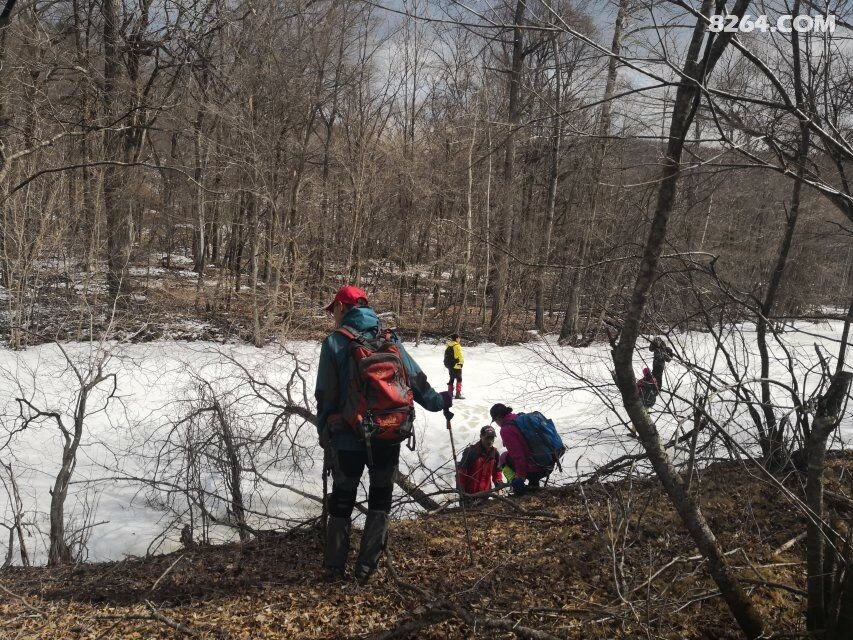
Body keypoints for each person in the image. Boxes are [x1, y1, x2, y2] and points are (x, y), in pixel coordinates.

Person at [315, 285, 453, 583]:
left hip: (348, 437)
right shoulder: (390, 339)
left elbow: (325, 395)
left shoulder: (336, 343)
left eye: (333, 310)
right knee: (380, 501)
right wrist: (439, 402)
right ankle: (366, 569)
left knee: (342, 500)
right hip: (388, 434)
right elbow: (416, 381)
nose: (332, 316)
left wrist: (324, 432)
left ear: (342, 307)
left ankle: (334, 568)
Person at [489, 403, 553, 495]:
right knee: (522, 454)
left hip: (536, 468)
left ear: (498, 417)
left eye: (495, 420)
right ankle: (534, 485)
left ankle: (517, 488)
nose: (496, 423)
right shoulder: (518, 418)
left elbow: (519, 456)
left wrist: (520, 477)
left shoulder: (506, 429)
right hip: (548, 463)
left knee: (503, 458)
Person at [456, 426, 504, 499]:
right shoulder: (471, 452)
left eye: (492, 438)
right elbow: (461, 475)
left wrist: (501, 494)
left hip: (486, 495)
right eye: (487, 438)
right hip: (469, 495)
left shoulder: (495, 454)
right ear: (481, 436)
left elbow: (498, 476)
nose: (490, 441)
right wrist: (462, 494)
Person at [444, 334, 465, 399]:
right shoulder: (457, 346)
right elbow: (460, 356)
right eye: (459, 338)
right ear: (456, 339)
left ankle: (450, 394)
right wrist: (461, 363)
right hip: (456, 364)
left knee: (451, 378)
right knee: (459, 379)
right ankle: (458, 394)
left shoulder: (448, 345)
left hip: (449, 365)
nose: (459, 339)